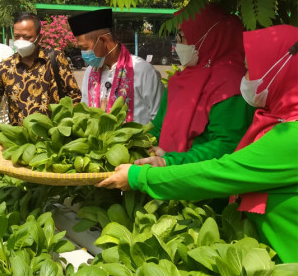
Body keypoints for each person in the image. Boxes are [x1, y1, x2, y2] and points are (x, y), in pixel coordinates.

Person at [97, 24, 298, 264]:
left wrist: (140, 177)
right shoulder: (275, 119)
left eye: (250, 70)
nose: (244, 79)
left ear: (280, 73)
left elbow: (223, 171)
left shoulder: (290, 135)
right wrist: (162, 159)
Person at [139, 3, 256, 167]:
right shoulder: (180, 79)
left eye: (182, 35)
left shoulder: (232, 85)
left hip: (205, 183)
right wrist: (133, 142)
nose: (179, 43)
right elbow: (158, 128)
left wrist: (171, 161)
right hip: (169, 177)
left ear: (207, 36)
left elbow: (226, 145)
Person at [0, 12, 82, 125]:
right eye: (17, 36)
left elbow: (74, 96)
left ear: (39, 37)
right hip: (20, 141)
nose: (21, 41)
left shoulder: (55, 58)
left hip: (53, 139)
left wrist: (66, 125)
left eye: (27, 37)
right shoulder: (5, 67)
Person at [68, 9, 164, 124]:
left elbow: (159, 117)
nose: (83, 53)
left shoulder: (142, 70)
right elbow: (84, 110)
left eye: (85, 48)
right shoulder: (90, 71)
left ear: (103, 40)